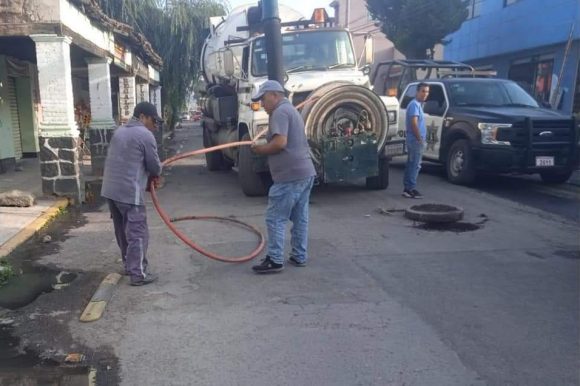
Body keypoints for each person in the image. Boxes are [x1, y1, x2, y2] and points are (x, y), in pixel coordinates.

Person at [250, 80, 317, 274]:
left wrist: (259, 149)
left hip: (290, 176)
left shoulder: (279, 112)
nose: (262, 104)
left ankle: (275, 259)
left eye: (263, 99)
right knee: (299, 217)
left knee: (275, 217)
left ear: (274, 95)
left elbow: (280, 143)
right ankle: (299, 255)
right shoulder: (289, 111)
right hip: (304, 172)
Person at [101, 102, 163, 286]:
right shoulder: (145, 135)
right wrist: (157, 173)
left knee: (122, 231)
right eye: (153, 120)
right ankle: (138, 274)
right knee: (137, 233)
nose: (155, 125)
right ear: (143, 117)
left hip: (111, 191)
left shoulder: (119, 131)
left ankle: (130, 266)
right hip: (129, 191)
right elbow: (154, 166)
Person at [403, 82, 430, 199]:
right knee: (415, 165)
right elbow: (414, 124)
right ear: (417, 92)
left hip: (415, 140)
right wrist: (419, 139)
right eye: (423, 91)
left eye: (427, 91)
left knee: (412, 164)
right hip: (415, 140)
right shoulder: (414, 105)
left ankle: (408, 188)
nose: (425, 94)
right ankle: (410, 189)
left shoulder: (418, 105)